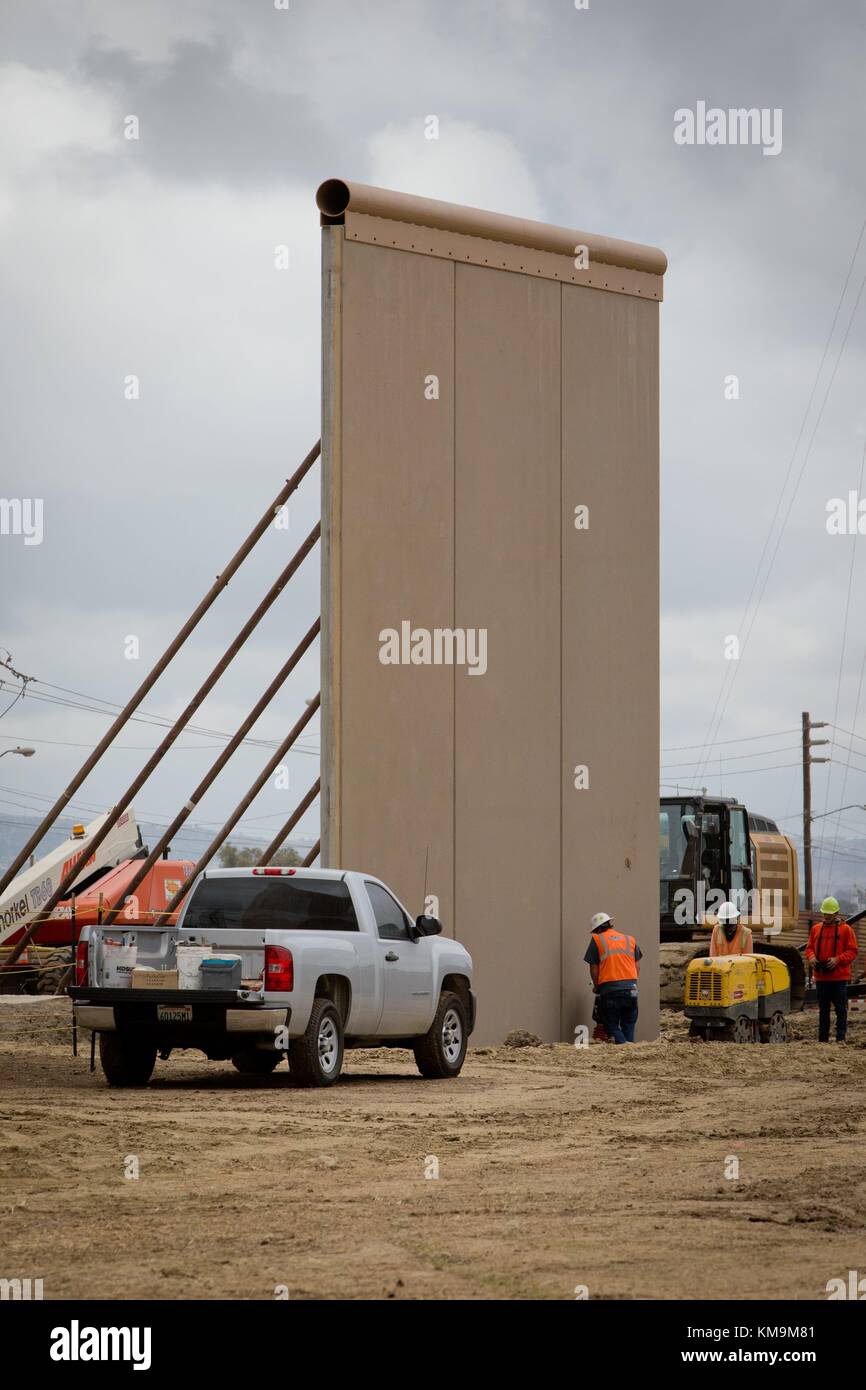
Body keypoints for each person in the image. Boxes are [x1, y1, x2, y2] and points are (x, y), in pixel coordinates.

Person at [805, 896, 858, 1044]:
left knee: (841, 1010)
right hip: (822, 978)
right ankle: (823, 1040)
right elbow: (809, 948)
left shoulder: (846, 930)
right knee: (824, 1011)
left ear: (836, 913)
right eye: (825, 914)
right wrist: (811, 958)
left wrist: (837, 960)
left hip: (839, 978)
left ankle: (840, 1038)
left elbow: (853, 951)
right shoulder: (816, 929)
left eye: (829, 914)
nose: (826, 917)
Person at [584, 911, 641, 1044]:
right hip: (631, 988)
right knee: (629, 1024)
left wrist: (597, 986)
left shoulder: (598, 940)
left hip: (610, 989)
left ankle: (623, 1046)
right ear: (610, 924)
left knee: (611, 1024)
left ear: (597, 929)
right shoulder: (629, 939)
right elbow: (637, 966)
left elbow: (593, 967)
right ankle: (630, 1050)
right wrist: (629, 982)